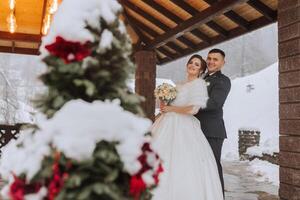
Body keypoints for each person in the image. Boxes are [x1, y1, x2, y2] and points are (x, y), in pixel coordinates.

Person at [151, 54, 223, 200]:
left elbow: (193, 110)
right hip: (167, 122)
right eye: (191, 62)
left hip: (185, 127)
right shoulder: (178, 85)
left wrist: (171, 110)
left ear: (201, 70)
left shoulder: (199, 85)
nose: (192, 65)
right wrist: (163, 106)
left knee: (181, 161)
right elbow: (169, 106)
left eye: (197, 64)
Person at [195, 48, 231, 195]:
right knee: (200, 167)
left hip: (212, 131)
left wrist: (191, 105)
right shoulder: (201, 78)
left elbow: (215, 102)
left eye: (215, 59)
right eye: (209, 58)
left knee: (213, 166)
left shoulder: (223, 80)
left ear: (223, 62)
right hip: (196, 129)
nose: (211, 61)